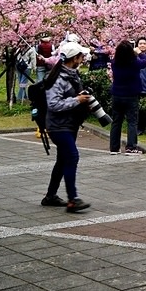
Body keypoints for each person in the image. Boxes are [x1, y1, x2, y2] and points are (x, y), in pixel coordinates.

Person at [41, 41, 93, 213]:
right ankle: (73, 200)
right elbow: (54, 104)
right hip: (58, 126)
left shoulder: (71, 74)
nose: (83, 59)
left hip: (70, 124)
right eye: (81, 56)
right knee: (72, 157)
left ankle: (50, 196)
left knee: (63, 160)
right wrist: (76, 100)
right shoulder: (57, 78)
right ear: (74, 58)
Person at [108, 40, 146, 155]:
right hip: (131, 95)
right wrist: (139, 52)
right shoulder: (134, 63)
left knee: (116, 121)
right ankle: (131, 147)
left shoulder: (115, 63)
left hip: (116, 95)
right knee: (132, 121)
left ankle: (114, 148)